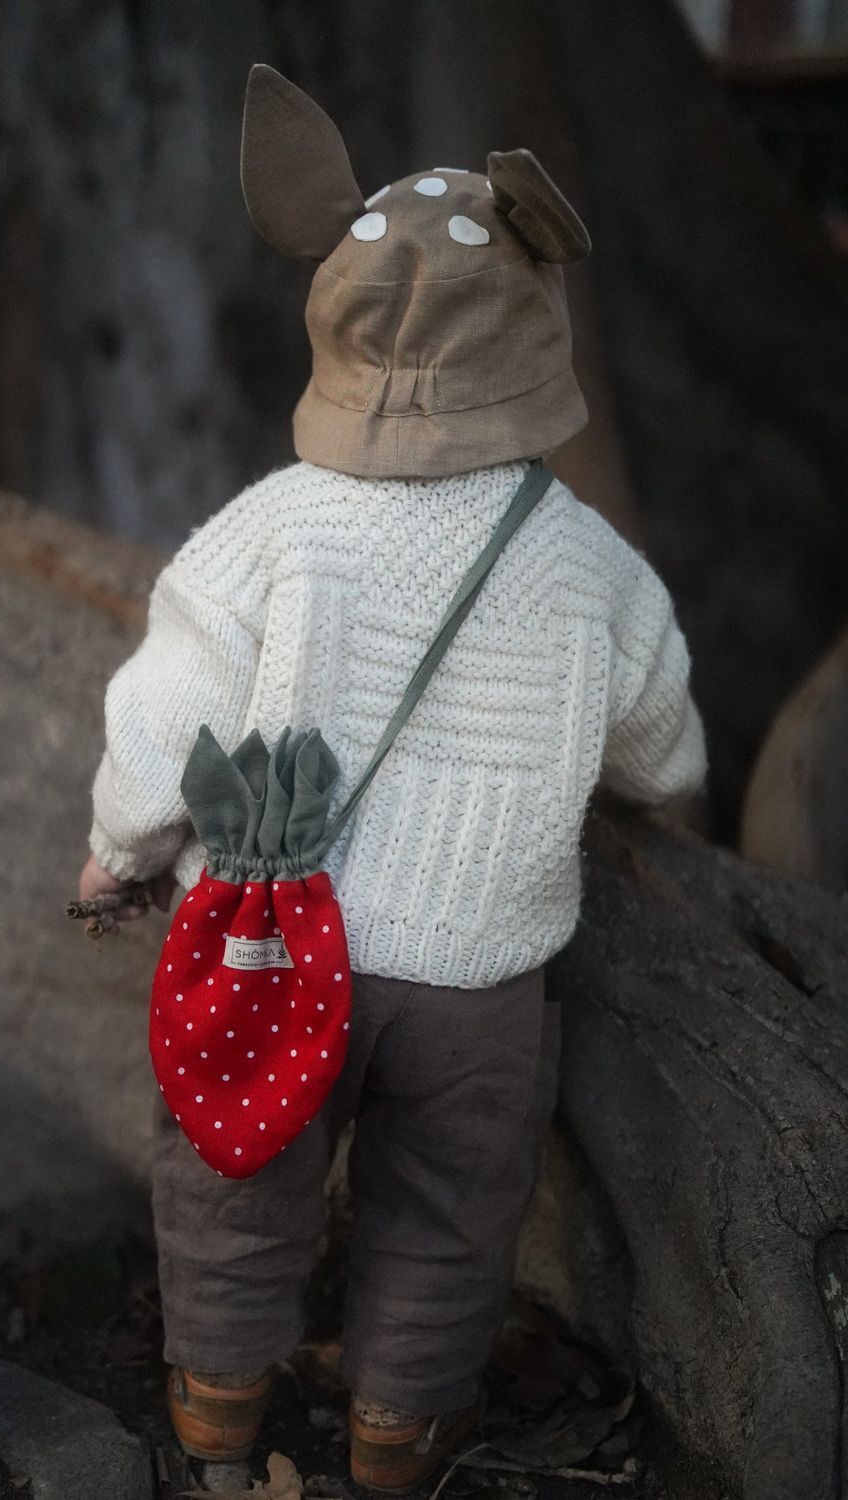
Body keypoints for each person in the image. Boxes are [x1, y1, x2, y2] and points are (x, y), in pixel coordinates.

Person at [79, 64, 707, 1494]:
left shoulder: (270, 530)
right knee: (446, 1216)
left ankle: (220, 1426)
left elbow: (163, 719)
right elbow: (664, 752)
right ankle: (392, 1445)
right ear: (532, 326)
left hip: (274, 942)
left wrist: (115, 848)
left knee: (236, 1189)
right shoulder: (590, 562)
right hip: (480, 977)